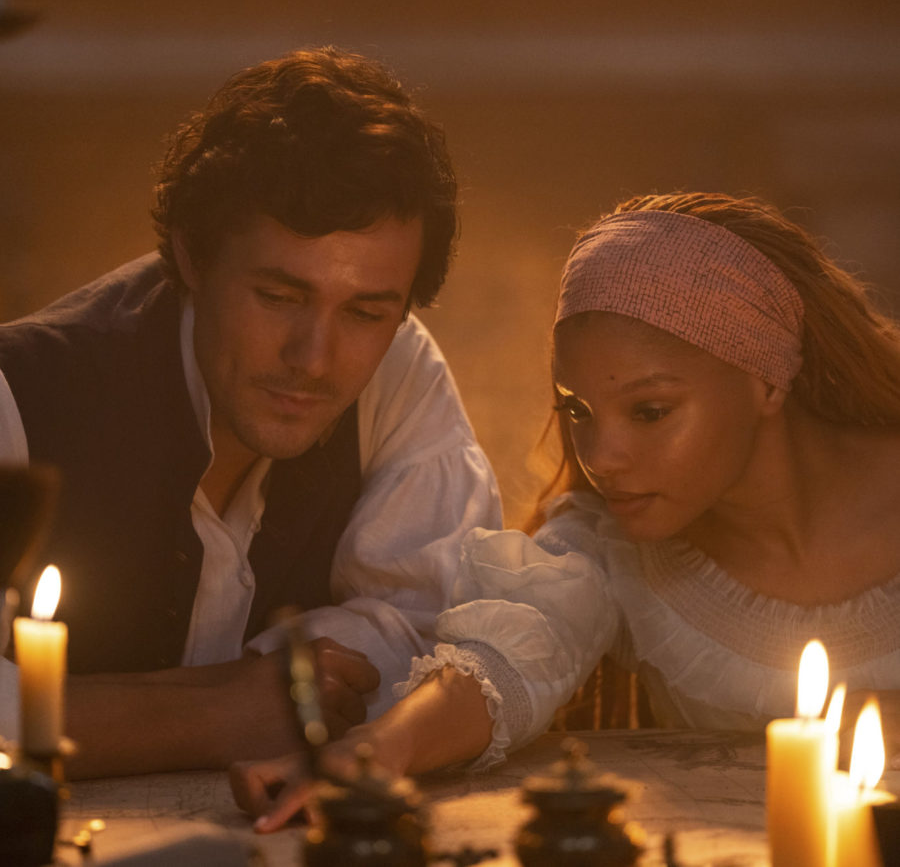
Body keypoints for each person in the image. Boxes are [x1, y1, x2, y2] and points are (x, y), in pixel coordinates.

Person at [231, 190, 900, 831]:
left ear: (768, 381)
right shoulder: (610, 545)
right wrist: (375, 752)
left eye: (650, 411)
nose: (601, 457)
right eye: (577, 411)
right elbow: (503, 664)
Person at [0, 47, 502, 777]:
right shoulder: (19, 395)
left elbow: (442, 632)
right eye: (278, 296)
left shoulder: (399, 367)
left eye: (365, 312)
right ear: (191, 257)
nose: (314, 357)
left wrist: (255, 692)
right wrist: (211, 713)